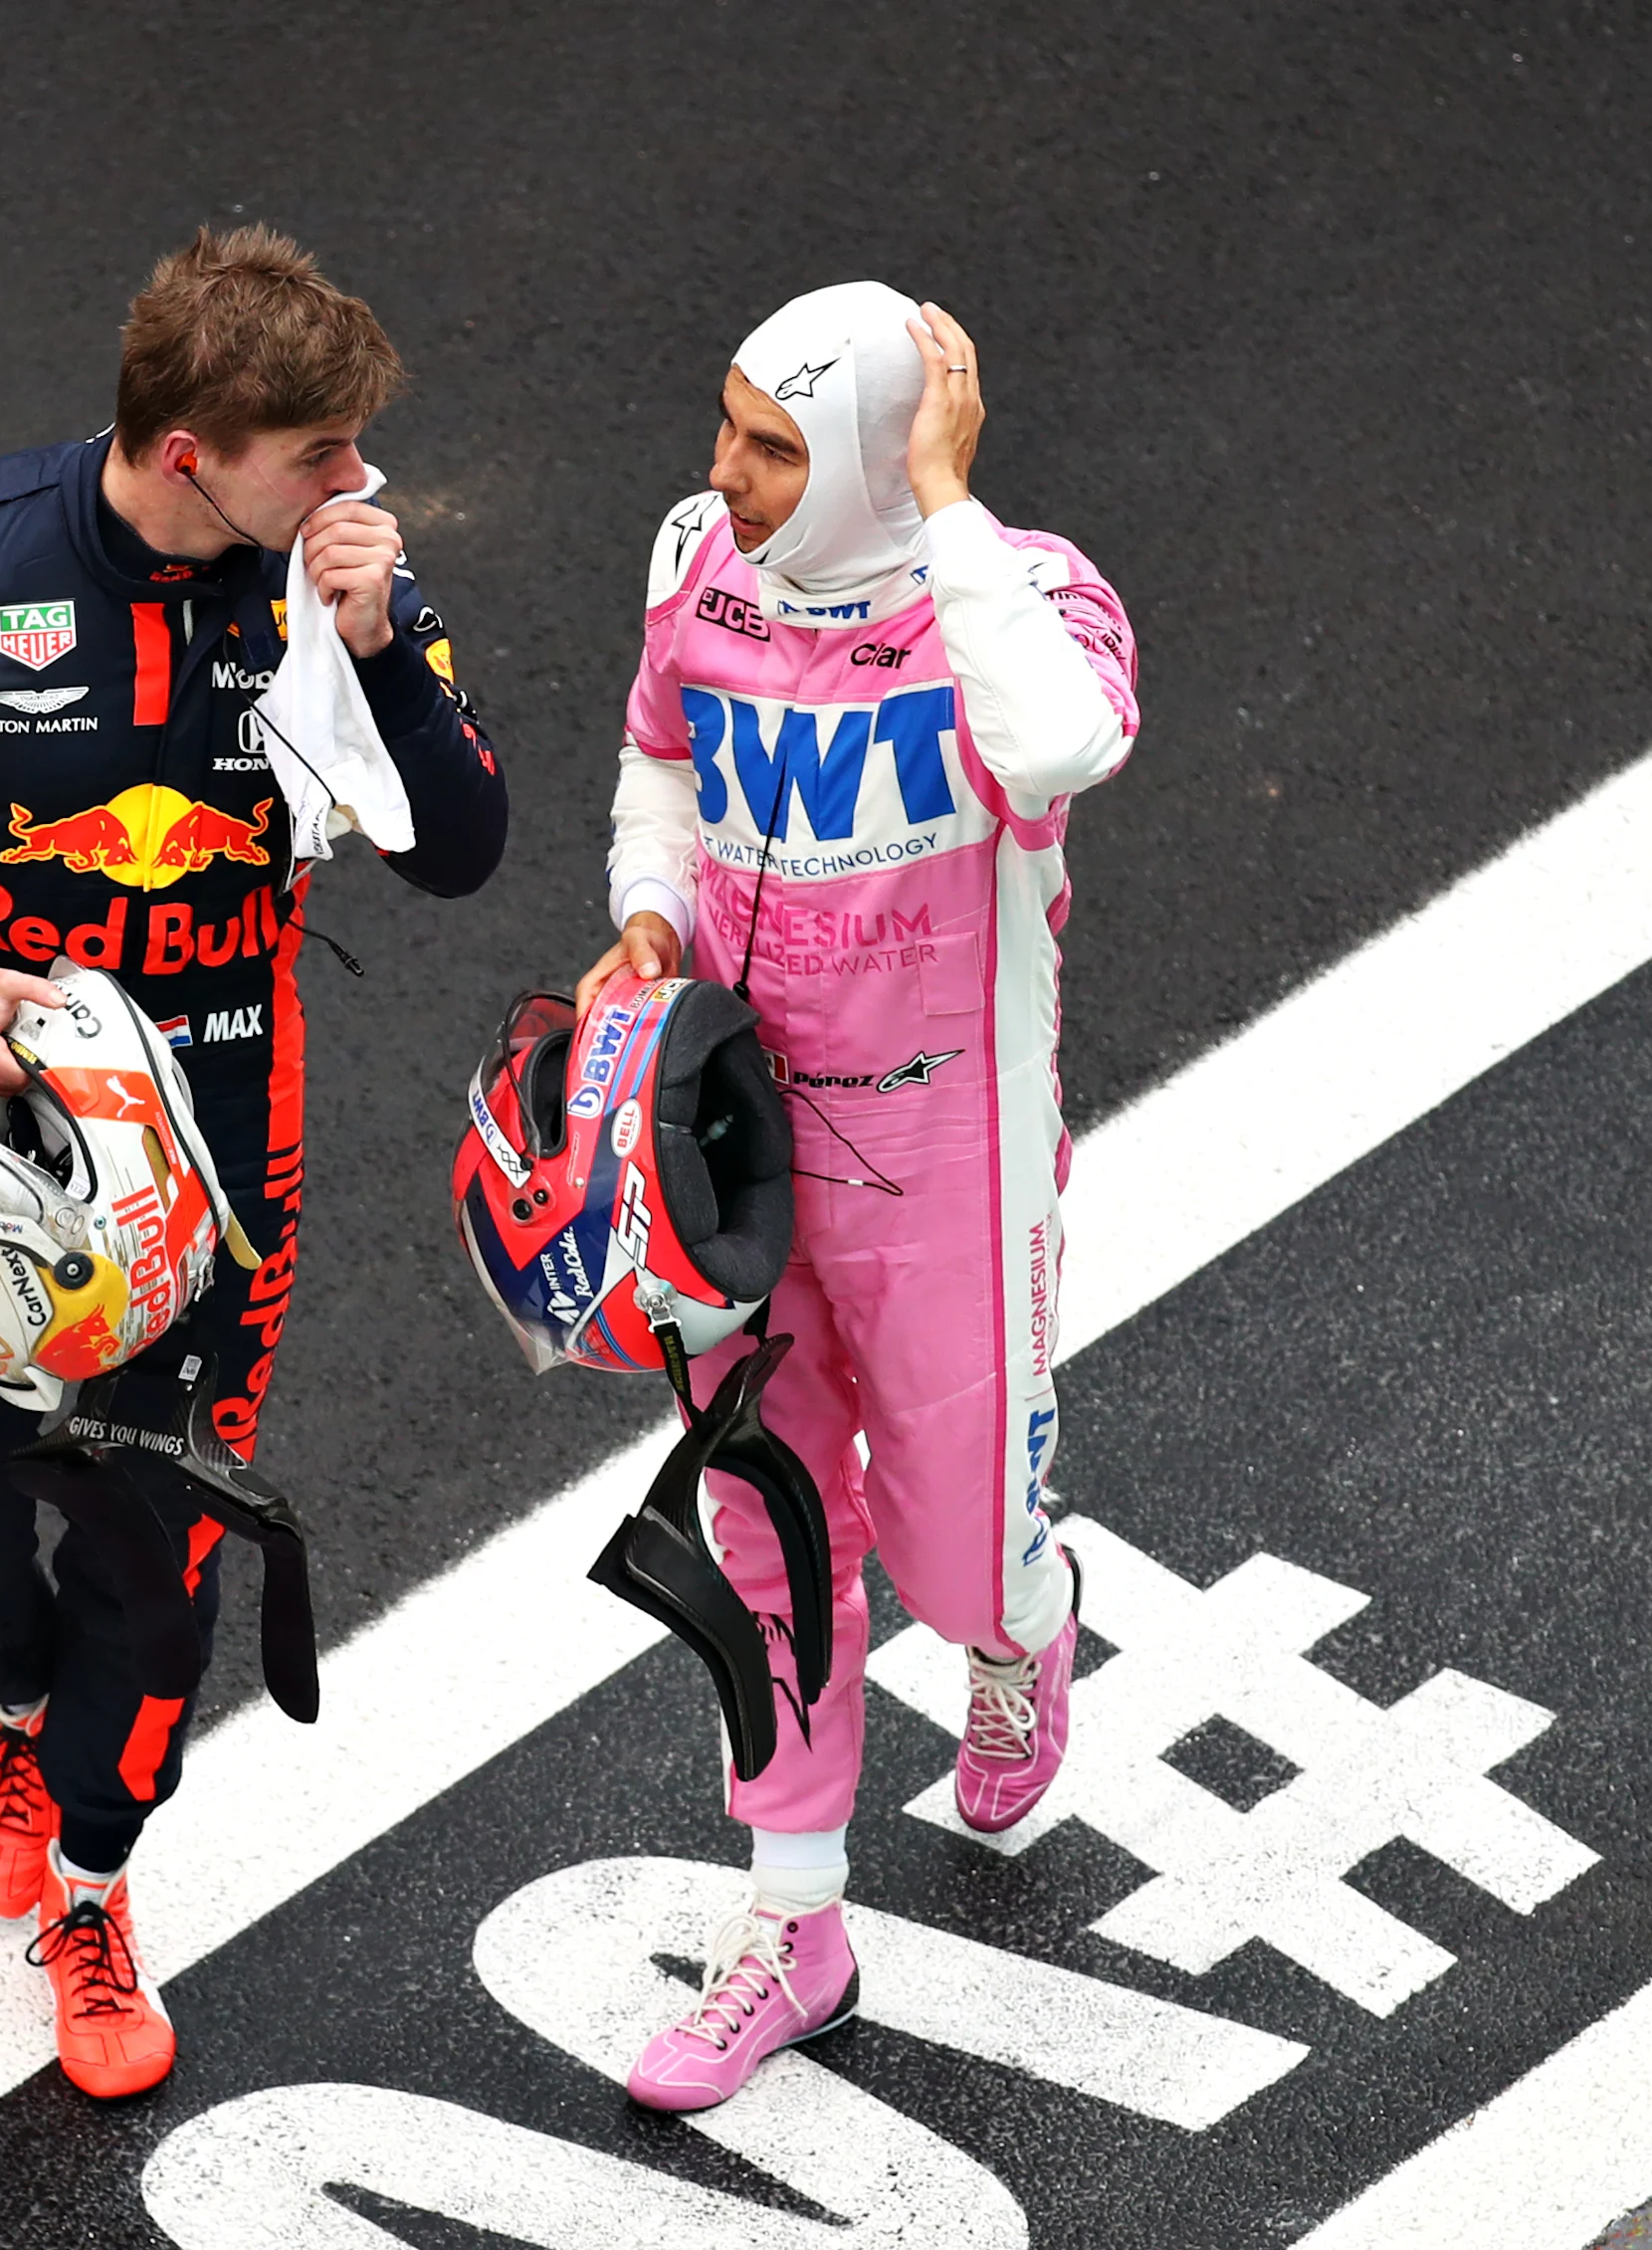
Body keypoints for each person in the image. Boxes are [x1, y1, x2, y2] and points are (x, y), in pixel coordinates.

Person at [0, 226, 505, 2100]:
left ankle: (91, 1881)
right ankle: (10, 1713)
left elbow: (458, 852)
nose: (359, 485)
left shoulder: (342, 586)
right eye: (318, 452)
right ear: (187, 451)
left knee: (157, 1585)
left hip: (222, 1176)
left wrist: (384, 647)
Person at [572, 281, 1139, 2110]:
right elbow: (662, 756)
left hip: (951, 1160)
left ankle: (1024, 1622)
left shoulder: (1027, 595)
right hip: (736, 1145)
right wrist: (649, 909)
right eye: (728, 426)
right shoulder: (693, 562)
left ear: (888, 451)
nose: (724, 474)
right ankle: (794, 1921)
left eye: (772, 445)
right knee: (768, 1520)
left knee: (954, 1544)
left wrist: (950, 512)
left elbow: (1058, 751)